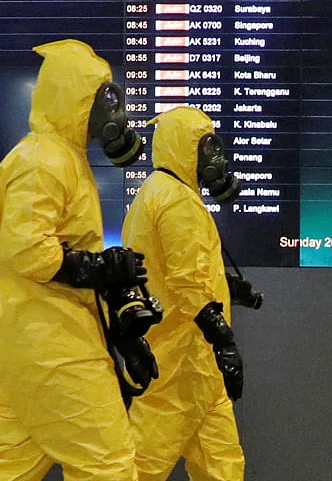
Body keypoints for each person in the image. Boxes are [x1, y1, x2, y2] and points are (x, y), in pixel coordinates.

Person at [0, 38, 156, 481]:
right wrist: (100, 268)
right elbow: (29, 250)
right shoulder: (44, 161)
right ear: (76, 99)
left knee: (9, 466)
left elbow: (58, 250)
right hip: (51, 349)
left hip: (30, 343)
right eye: (104, 101)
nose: (114, 116)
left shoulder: (60, 158)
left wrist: (120, 326)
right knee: (108, 464)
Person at [121, 106, 247, 481]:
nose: (215, 158)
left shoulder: (158, 192)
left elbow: (173, 268)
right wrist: (223, 340)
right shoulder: (176, 200)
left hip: (193, 365)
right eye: (205, 147)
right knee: (142, 467)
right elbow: (187, 283)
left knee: (221, 465)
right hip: (179, 364)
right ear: (184, 148)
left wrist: (226, 287)